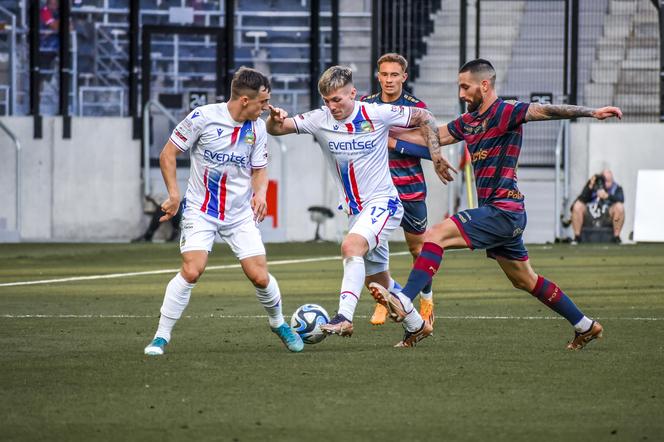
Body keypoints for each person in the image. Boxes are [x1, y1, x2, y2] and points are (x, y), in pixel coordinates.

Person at [369, 59, 622, 348]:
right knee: (525, 280)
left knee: (435, 235)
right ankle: (585, 325)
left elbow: (548, 110)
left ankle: (405, 303)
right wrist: (380, 135)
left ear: (484, 85)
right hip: (501, 214)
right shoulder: (468, 122)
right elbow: (431, 136)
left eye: (465, 87)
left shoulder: (506, 111)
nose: (461, 94)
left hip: (504, 210)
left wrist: (592, 112)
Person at [266, 65, 455, 338]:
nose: (332, 106)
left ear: (353, 93)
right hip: (356, 211)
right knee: (378, 281)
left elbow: (424, 116)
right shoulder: (319, 119)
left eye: (338, 99)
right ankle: (416, 326)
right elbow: (277, 129)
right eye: (327, 101)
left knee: (350, 246)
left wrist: (435, 155)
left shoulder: (375, 113)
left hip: (385, 202)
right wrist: (275, 119)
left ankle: (344, 317)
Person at [144, 67, 304, 356]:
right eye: (262, 102)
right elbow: (168, 153)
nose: (266, 108)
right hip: (201, 210)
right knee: (192, 270)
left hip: (239, 213)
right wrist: (173, 194)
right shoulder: (203, 118)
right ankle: (161, 336)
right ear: (244, 100)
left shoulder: (257, 128)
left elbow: (259, 168)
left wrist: (260, 193)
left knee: (259, 276)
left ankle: (279, 322)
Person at [360, 53, 435, 326]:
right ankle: (384, 299)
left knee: (418, 250)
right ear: (377, 76)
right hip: (376, 189)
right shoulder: (365, 105)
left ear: (404, 77)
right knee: (373, 247)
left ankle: (426, 299)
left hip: (410, 188)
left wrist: (393, 142)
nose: (389, 80)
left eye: (395, 75)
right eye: (385, 74)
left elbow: (429, 147)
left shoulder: (417, 108)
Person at [570, 169, 624, 244]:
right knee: (577, 205)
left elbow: (621, 199)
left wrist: (607, 196)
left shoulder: (616, 188)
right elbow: (581, 199)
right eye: (606, 180)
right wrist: (590, 186)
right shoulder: (593, 186)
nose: (608, 184)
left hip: (607, 215)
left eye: (610, 181)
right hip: (590, 214)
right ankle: (577, 237)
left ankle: (616, 237)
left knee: (619, 207)